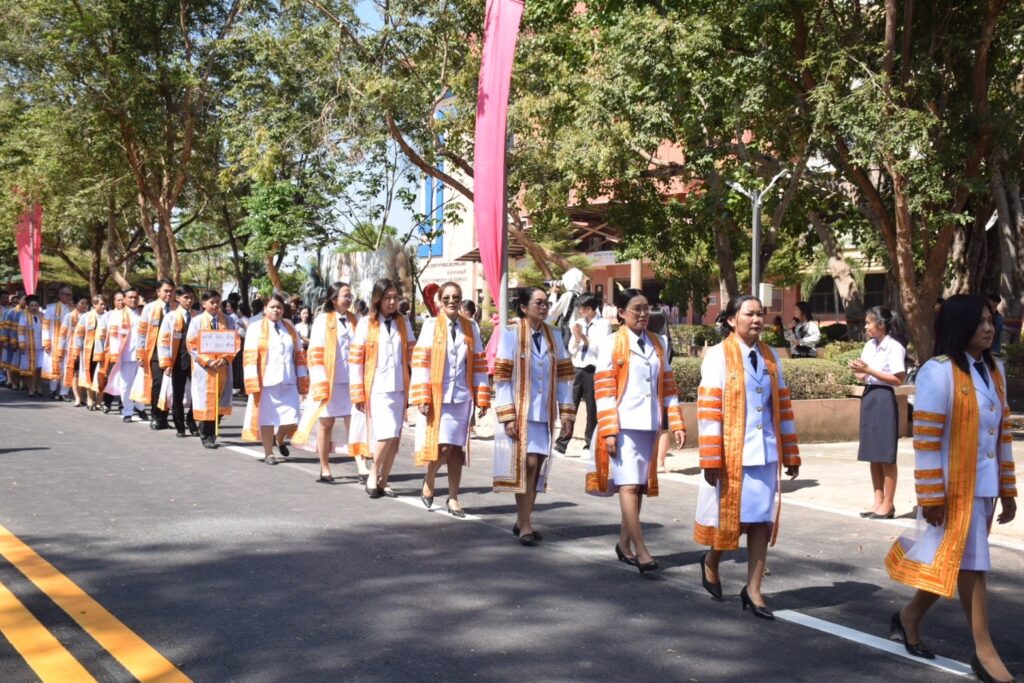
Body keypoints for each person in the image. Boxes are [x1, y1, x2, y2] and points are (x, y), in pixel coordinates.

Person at [885, 295, 1017, 683]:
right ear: (961, 325)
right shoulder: (938, 371)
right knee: (973, 565)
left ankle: (908, 617)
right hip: (951, 490)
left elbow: (1003, 433)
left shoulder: (995, 369)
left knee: (955, 560)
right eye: (980, 322)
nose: (989, 328)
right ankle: (985, 652)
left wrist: (1007, 489)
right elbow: (926, 440)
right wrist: (931, 496)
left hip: (984, 488)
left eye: (991, 321)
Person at [694, 295, 801, 619]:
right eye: (749, 314)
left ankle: (754, 589)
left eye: (760, 314)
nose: (756, 320)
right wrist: (711, 457)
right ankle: (712, 559)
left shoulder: (770, 356)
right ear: (731, 320)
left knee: (761, 521)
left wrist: (790, 452)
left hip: (765, 451)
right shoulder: (718, 355)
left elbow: (781, 405)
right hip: (732, 453)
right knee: (735, 521)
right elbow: (709, 409)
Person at [584, 289, 686, 572]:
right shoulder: (611, 343)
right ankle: (641, 550)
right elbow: (604, 390)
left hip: (649, 425)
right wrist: (609, 430)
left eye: (646, 308)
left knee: (638, 486)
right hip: (624, 425)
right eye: (636, 309)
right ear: (621, 313)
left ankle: (624, 543)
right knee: (628, 485)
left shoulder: (659, 342)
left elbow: (668, 385)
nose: (642, 314)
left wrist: (676, 421)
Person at [492, 286, 575, 545]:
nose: (544, 307)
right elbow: (502, 377)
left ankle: (522, 519)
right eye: (538, 303)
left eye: (546, 303)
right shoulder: (511, 334)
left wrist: (567, 412)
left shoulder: (555, 335)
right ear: (524, 307)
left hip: (545, 411)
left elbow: (564, 376)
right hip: (521, 411)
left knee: (537, 465)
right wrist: (507, 415)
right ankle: (526, 523)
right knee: (526, 464)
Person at [411, 282, 491, 517]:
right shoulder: (430, 326)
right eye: (446, 298)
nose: (451, 301)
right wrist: (422, 396)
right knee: (442, 447)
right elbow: (421, 362)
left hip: (462, 397)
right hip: (438, 396)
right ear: (440, 301)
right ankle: (430, 478)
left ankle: (454, 497)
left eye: (455, 297)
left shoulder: (471, 326)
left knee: (456, 449)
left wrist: (482, 396)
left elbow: (478, 362)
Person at [349, 278, 415, 497]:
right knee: (386, 433)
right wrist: (357, 392)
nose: (392, 302)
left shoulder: (403, 322)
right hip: (376, 387)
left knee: (394, 436)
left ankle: (383, 480)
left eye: (395, 297)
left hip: (400, 386)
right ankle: (373, 471)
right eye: (387, 297)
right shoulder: (366, 323)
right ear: (377, 299)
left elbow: (412, 354)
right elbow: (356, 361)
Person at [293, 282, 360, 482]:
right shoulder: (323, 320)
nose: (348, 299)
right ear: (333, 299)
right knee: (326, 424)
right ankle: (324, 467)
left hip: (351, 381)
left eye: (350, 296)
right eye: (345, 296)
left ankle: (361, 465)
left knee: (355, 424)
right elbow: (315, 352)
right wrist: (320, 381)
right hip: (330, 381)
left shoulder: (354, 319)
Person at [848, 306, 907, 519]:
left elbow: (898, 379)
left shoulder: (894, 347)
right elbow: (864, 376)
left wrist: (869, 371)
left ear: (881, 324)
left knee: (885, 455)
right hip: (870, 395)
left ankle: (888, 504)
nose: (866, 326)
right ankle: (878, 500)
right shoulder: (869, 346)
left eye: (869, 322)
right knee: (873, 453)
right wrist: (860, 372)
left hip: (884, 397)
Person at [242, 293, 308, 464]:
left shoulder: (289, 326)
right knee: (267, 417)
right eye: (272, 307)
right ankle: (268, 453)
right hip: (266, 381)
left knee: (293, 417)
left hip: (288, 379)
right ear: (265, 309)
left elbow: (299, 353)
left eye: (279, 307)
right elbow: (249, 356)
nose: (276, 310)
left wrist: (302, 377)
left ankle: (279, 438)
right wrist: (251, 380)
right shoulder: (255, 327)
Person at [555, 294, 610, 456]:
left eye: (583, 308)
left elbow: (602, 349)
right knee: (570, 406)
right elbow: (572, 349)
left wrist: (584, 338)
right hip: (577, 367)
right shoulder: (578, 323)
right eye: (579, 308)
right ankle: (561, 444)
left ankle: (589, 445)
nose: (580, 311)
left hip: (593, 369)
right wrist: (577, 339)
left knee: (592, 409)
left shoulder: (603, 325)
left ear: (591, 308)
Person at [186, 290, 239, 449]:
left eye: (217, 302)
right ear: (204, 304)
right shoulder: (197, 321)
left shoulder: (228, 320)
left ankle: (214, 429)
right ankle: (206, 434)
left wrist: (225, 359)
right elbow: (191, 344)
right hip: (205, 369)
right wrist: (207, 361)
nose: (215, 305)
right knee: (205, 401)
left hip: (223, 367)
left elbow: (235, 342)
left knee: (221, 400)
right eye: (212, 302)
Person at [132, 279, 177, 429]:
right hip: (155, 353)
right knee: (158, 384)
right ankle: (156, 416)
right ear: (158, 292)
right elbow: (142, 332)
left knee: (170, 386)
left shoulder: (177, 308)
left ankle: (164, 417)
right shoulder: (149, 308)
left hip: (173, 353)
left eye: (171, 291)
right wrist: (140, 353)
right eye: (166, 291)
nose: (169, 294)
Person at [158, 285, 198, 438]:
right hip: (178, 361)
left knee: (197, 393)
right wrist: (166, 363)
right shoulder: (171, 317)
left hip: (196, 361)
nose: (189, 301)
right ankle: (179, 425)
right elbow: (164, 340)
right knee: (177, 394)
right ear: (178, 298)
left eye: (191, 297)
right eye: (186, 297)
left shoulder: (198, 316)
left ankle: (192, 420)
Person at [103, 288, 143, 423]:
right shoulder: (117, 315)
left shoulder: (143, 313)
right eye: (130, 297)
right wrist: (115, 354)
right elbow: (113, 337)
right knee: (126, 385)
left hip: (142, 355)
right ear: (125, 299)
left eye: (135, 297)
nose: (133, 300)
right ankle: (127, 411)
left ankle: (140, 407)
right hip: (126, 356)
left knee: (142, 383)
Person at [72, 295, 109, 409]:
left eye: (105, 304)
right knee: (90, 374)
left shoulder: (109, 316)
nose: (103, 306)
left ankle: (99, 401)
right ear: (94, 304)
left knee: (102, 375)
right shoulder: (86, 317)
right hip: (90, 350)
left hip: (104, 350)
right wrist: (76, 350)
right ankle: (90, 398)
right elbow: (78, 334)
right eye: (101, 304)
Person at [42, 286, 74, 399]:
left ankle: (64, 392)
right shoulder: (51, 309)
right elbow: (45, 327)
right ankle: (52, 390)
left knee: (67, 366)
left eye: (70, 295)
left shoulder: (73, 309)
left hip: (69, 343)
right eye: (66, 295)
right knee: (55, 366)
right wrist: (46, 342)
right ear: (60, 295)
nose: (68, 297)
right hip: (54, 342)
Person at [59, 298, 89, 405]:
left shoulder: (89, 316)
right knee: (72, 372)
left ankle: (82, 396)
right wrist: (61, 349)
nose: (84, 305)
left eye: (86, 303)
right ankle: (70, 395)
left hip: (86, 349)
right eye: (82, 303)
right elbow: (63, 334)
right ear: (76, 305)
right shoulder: (69, 316)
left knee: (83, 373)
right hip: (71, 348)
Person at [17, 296, 45, 397]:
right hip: (29, 347)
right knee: (30, 369)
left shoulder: (42, 316)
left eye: (36, 305)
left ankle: (38, 386)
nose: (34, 308)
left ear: (39, 306)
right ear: (28, 306)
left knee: (39, 368)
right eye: (32, 305)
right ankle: (31, 388)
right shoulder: (24, 316)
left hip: (41, 346)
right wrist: (22, 343)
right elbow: (20, 332)